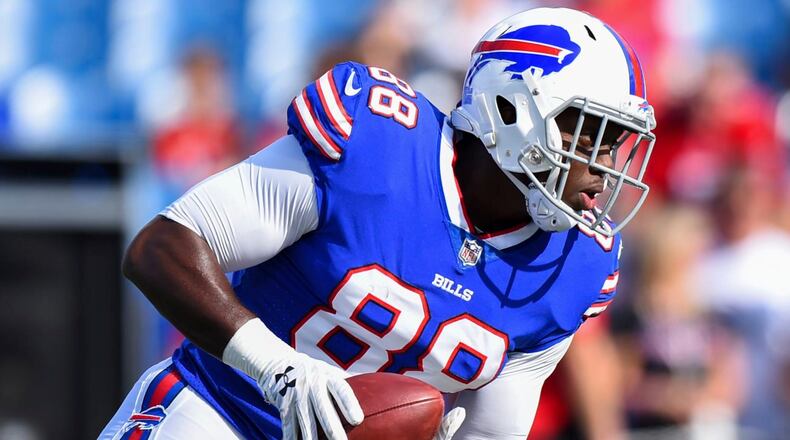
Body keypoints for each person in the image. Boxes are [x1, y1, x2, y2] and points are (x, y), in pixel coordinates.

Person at [100, 7, 656, 440]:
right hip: (221, 413)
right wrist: (278, 369)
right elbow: (161, 248)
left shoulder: (574, 265)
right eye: (588, 134)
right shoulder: (378, 145)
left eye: (615, 144)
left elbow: (491, 427)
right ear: (510, 108)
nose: (603, 171)